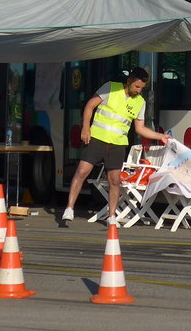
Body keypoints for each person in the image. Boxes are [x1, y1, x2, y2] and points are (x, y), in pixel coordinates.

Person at [61, 67, 173, 224]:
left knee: (115, 180)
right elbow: (90, 106)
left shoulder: (140, 102)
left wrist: (161, 136)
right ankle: (69, 208)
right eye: (137, 87)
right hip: (97, 138)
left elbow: (139, 128)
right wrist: (86, 127)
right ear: (129, 82)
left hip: (117, 144)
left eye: (142, 88)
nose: (139, 91)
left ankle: (112, 216)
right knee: (82, 171)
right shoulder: (111, 87)